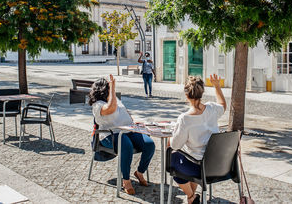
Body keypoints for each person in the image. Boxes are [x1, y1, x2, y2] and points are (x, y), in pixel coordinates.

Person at [89, 74, 155, 195]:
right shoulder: (97, 105)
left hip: (128, 130)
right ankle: (126, 180)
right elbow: (111, 108)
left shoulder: (114, 99)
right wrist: (113, 88)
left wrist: (133, 122)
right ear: (104, 90)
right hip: (110, 135)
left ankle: (139, 172)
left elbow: (124, 111)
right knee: (126, 145)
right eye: (108, 88)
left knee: (149, 144)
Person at [168, 74, 226, 204]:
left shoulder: (185, 118)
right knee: (188, 156)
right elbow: (223, 104)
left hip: (200, 168)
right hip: (218, 165)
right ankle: (192, 197)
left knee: (172, 157)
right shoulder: (212, 108)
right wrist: (217, 86)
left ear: (186, 95)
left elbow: (175, 145)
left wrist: (171, 136)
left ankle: (190, 196)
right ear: (202, 92)